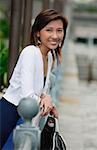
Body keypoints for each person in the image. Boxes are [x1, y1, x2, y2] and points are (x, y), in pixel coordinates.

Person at [0, 8, 68, 148]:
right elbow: (27, 95)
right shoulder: (30, 53)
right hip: (10, 113)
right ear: (38, 32)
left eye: (59, 30)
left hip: (27, 116)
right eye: (49, 30)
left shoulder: (49, 56)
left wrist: (49, 101)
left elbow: (40, 90)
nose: (55, 36)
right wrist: (46, 100)